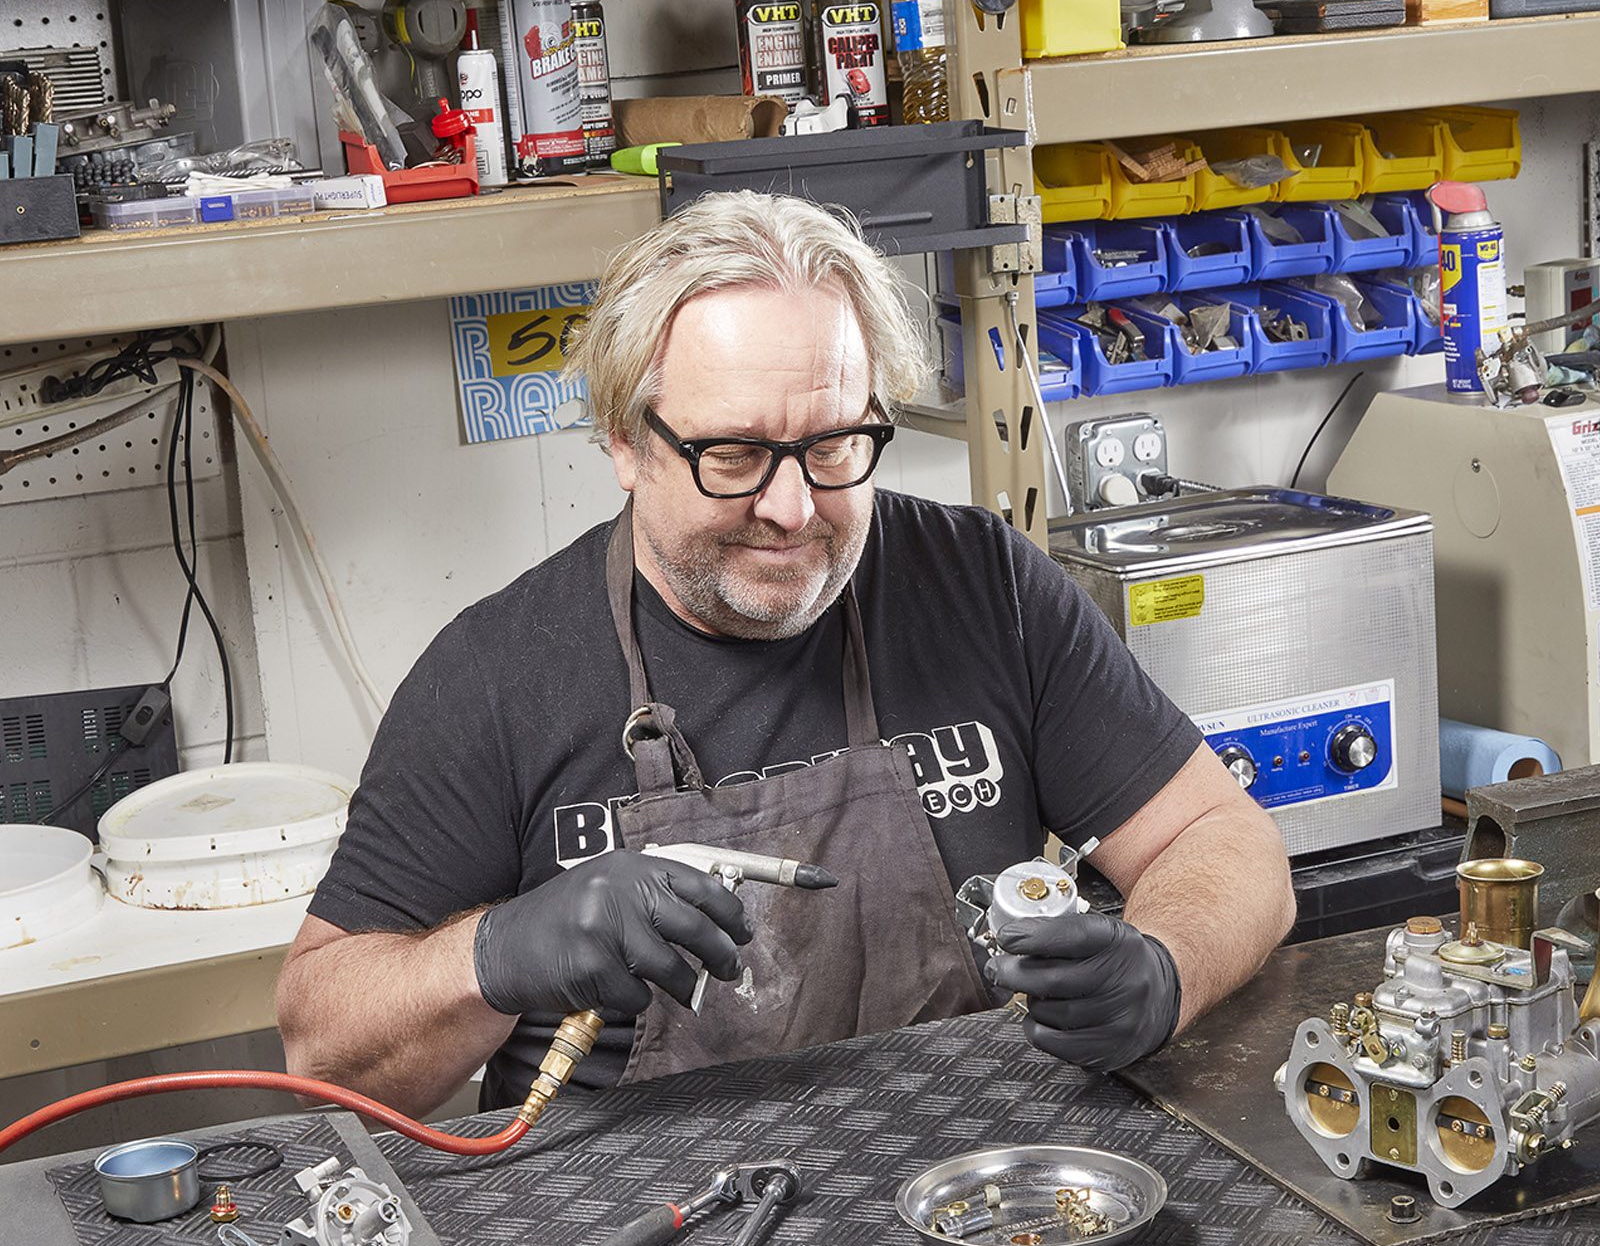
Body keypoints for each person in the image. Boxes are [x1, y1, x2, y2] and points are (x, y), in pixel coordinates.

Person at [277, 191, 1295, 1117]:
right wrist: (492, 956)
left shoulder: (981, 584)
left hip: (976, 1179)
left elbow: (1220, 839)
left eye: (832, 446)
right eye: (732, 455)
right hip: (640, 1227)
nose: (791, 507)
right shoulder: (500, 674)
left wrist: (1161, 970)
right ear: (624, 440)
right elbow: (321, 1050)